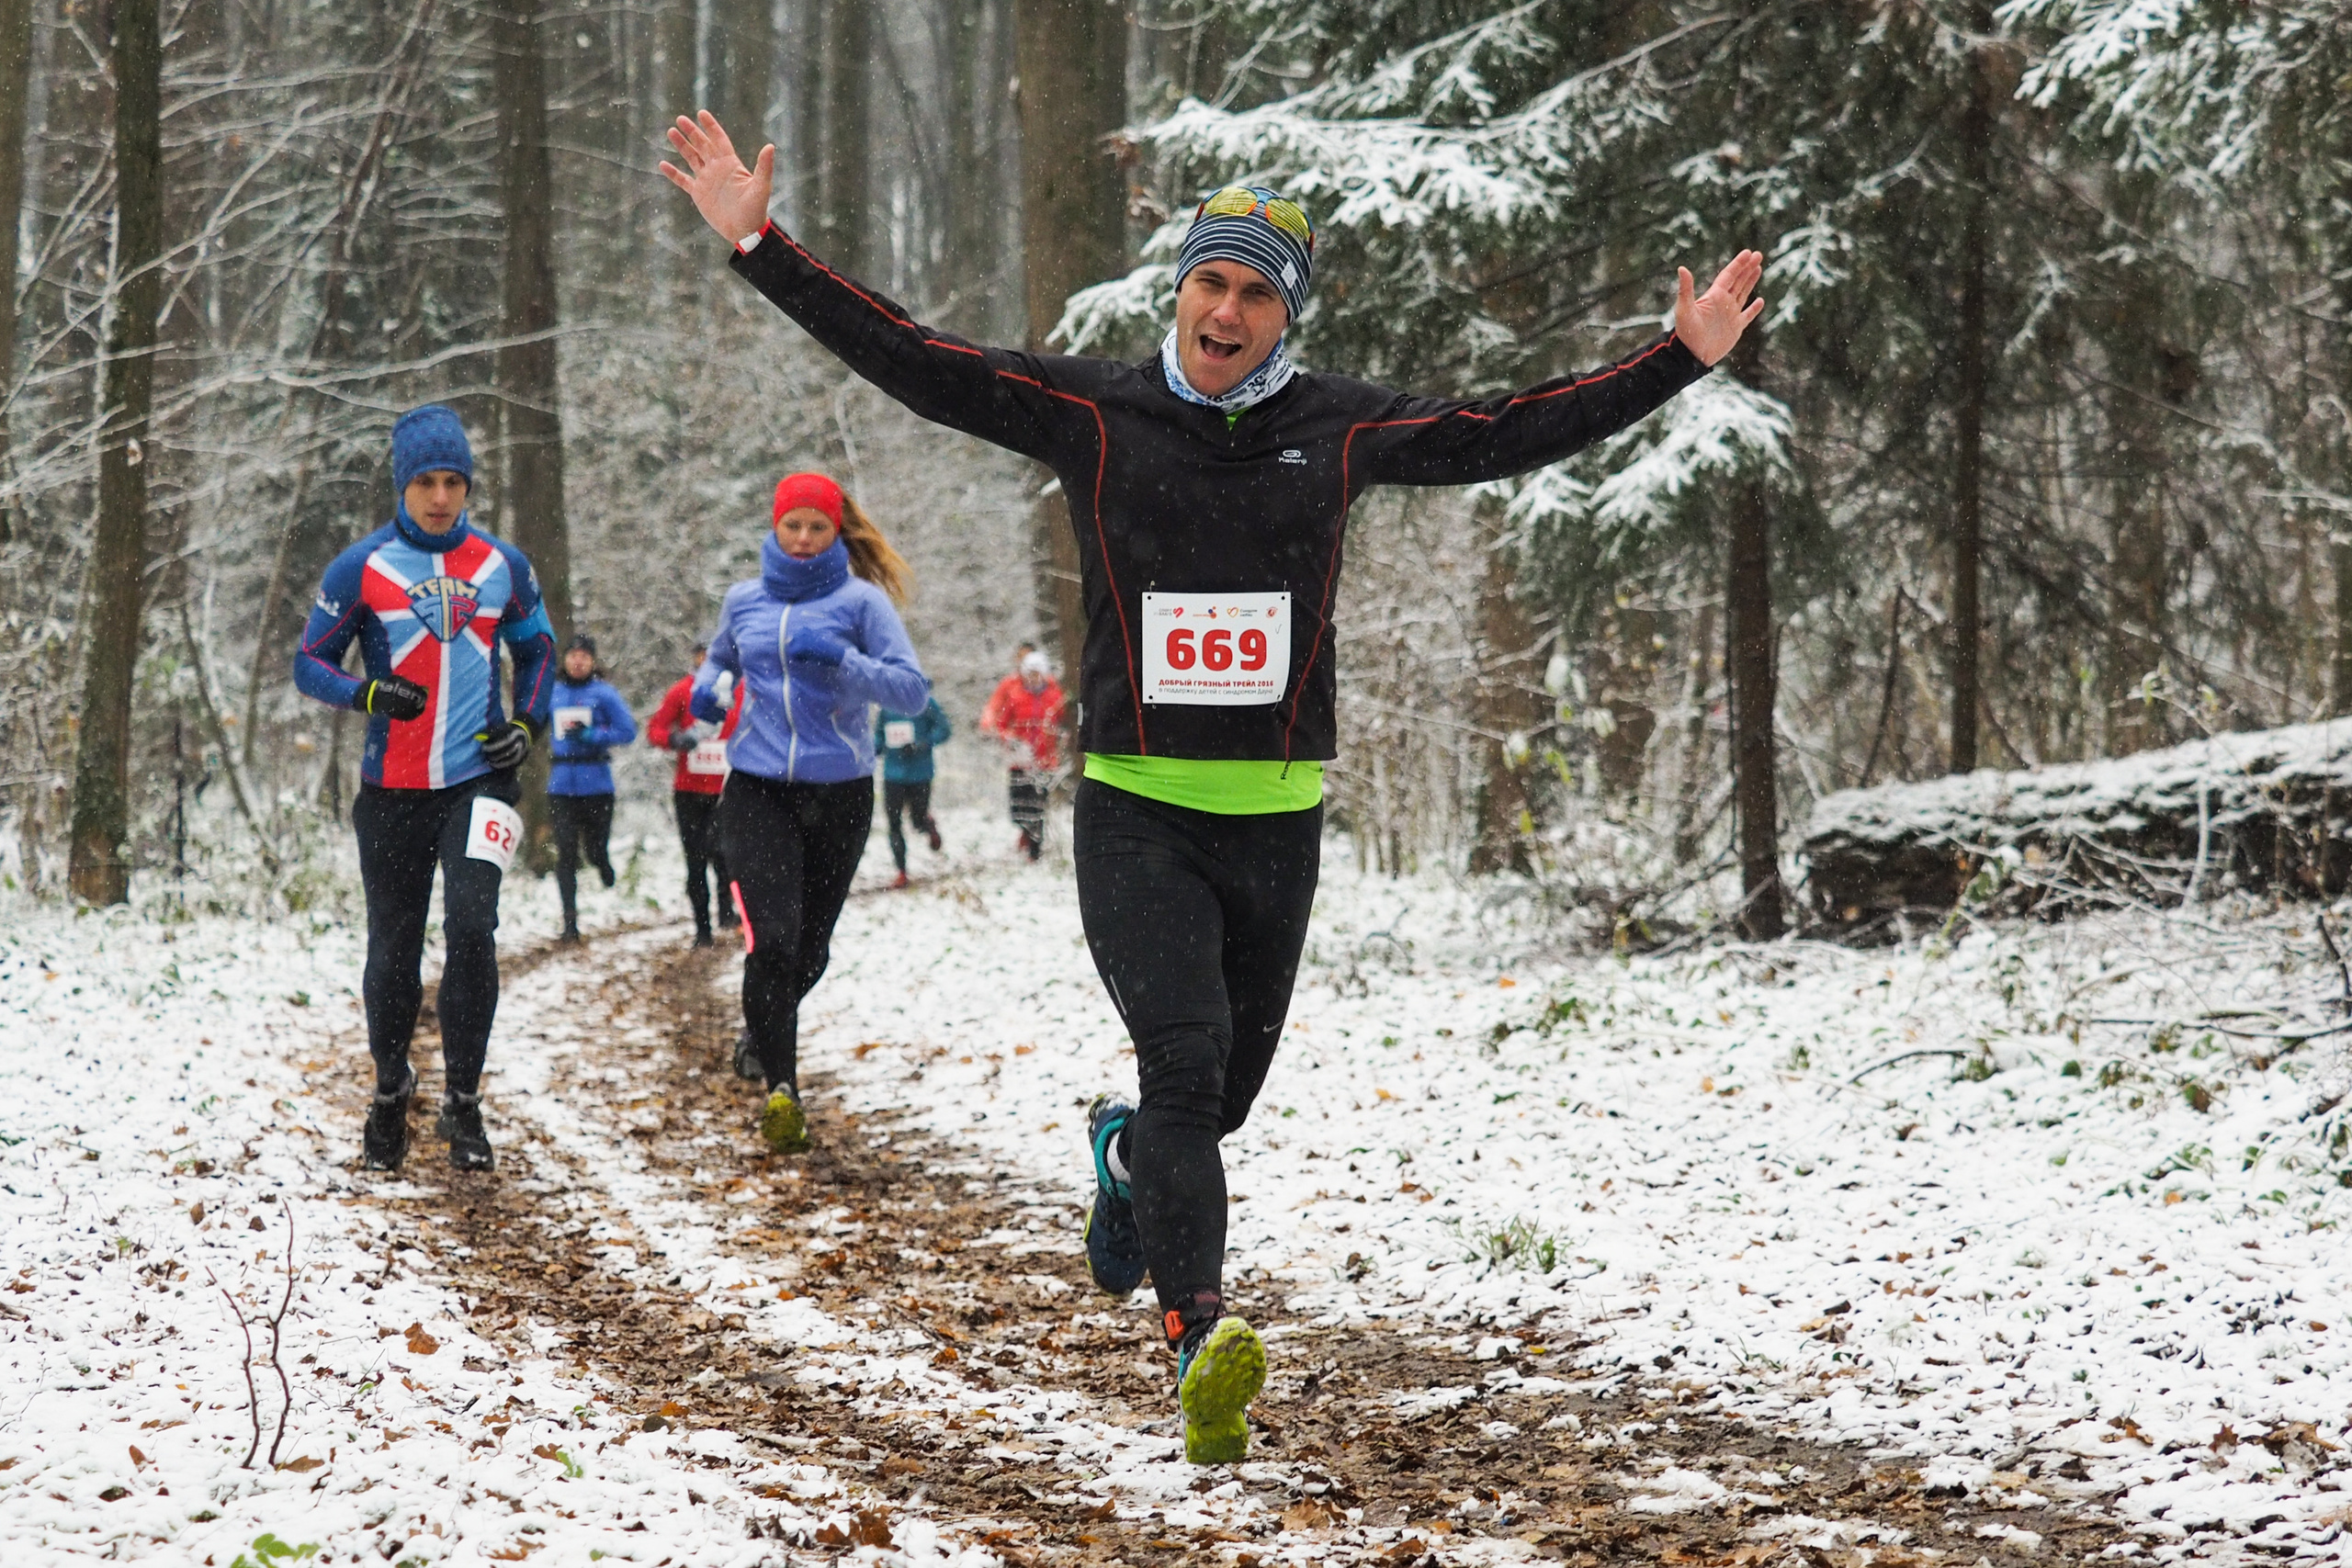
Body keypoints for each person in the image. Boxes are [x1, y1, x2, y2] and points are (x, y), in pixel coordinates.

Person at [662, 111, 1760, 1463]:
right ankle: (1200, 1342)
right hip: (1135, 806)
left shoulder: (1340, 427)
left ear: (1282, 310)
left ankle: (1123, 1162)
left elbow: (1505, 427)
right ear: (1177, 289)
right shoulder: (1097, 413)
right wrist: (762, 246)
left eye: (1255, 291)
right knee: (1185, 1069)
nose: (1227, 310)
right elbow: (921, 364)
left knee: (1215, 1103)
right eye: (1210, 281)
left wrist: (1676, 361)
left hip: (1278, 818)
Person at [293, 404, 555, 1172]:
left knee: (473, 927)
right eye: (425, 483)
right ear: (402, 486)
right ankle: (387, 1090)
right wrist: (365, 695)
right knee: (394, 950)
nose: (440, 497)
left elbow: (537, 652)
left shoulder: (502, 562)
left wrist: (529, 727)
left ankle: (465, 1104)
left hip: (479, 780)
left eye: (453, 482)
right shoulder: (361, 568)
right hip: (393, 789)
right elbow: (310, 661)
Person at [693, 471, 929, 1154]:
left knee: (810, 947)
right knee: (773, 938)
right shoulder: (744, 600)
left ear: (834, 532)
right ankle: (782, 1089)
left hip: (840, 792)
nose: (801, 539)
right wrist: (709, 691)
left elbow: (911, 692)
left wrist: (845, 662)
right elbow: (717, 661)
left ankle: (760, 1028)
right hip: (758, 786)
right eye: (791, 525)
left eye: (816, 528)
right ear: (774, 527)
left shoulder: (861, 603)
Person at [647, 641, 744, 946]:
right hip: (689, 790)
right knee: (695, 859)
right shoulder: (683, 691)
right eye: (702, 657)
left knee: (727, 855)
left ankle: (727, 912)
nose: (707, 662)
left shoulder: (741, 692)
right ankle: (703, 929)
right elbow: (655, 730)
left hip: (728, 790)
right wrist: (675, 739)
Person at [546, 633, 638, 942]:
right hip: (561, 783)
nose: (578, 661)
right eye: (573, 655)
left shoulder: (605, 694)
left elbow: (628, 731)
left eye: (584, 656)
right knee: (566, 853)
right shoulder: (552, 693)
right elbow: (534, 721)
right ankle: (570, 923)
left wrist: (593, 735)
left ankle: (603, 863)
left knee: (594, 847)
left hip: (596, 782)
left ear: (593, 661)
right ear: (565, 659)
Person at [979, 650, 1065, 861]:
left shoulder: (1055, 696)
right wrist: (1009, 737)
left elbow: (1062, 723)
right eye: (1030, 673)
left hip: (1044, 762)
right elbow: (1001, 723)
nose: (1033, 678)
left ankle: (1034, 851)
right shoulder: (1015, 694)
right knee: (1019, 808)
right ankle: (1025, 831)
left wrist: (1060, 738)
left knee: (1037, 806)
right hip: (1019, 760)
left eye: (1037, 673)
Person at [874, 694, 951, 887]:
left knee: (917, 820)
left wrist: (922, 744)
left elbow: (944, 729)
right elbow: (879, 735)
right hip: (892, 775)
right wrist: (872, 749)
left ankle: (928, 826)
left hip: (920, 773)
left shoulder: (926, 703)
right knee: (893, 823)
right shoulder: (886, 706)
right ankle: (901, 871)